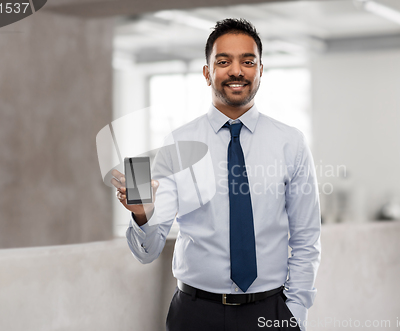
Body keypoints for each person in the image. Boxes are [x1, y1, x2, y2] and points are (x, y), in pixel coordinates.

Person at [111, 18, 321, 331]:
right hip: (195, 314)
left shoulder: (290, 142)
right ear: (208, 73)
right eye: (223, 62)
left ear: (260, 70)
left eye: (247, 61)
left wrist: (295, 314)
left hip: (270, 312)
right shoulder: (178, 143)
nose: (236, 71)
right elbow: (148, 251)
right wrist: (142, 214)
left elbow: (306, 238)